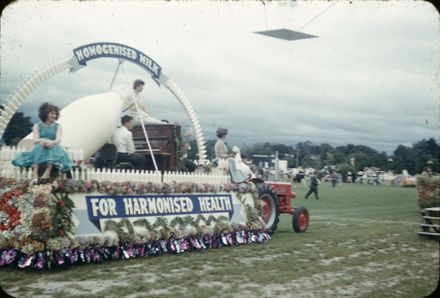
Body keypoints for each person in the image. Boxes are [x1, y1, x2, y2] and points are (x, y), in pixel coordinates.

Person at [12, 103, 72, 180]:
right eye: (52, 113)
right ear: (45, 114)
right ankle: (35, 171)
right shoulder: (37, 125)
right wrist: (42, 141)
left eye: (55, 114)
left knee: (51, 148)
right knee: (39, 146)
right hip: (40, 146)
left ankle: (47, 171)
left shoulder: (58, 126)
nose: (54, 115)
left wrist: (51, 142)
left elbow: (58, 139)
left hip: (53, 146)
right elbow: (36, 140)